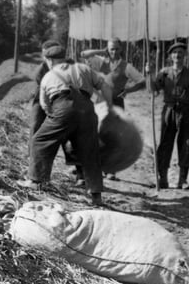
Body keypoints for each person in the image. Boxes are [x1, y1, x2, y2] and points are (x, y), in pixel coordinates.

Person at [20, 44, 113, 207]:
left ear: (49, 60)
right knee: (90, 151)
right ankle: (96, 194)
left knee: (40, 140)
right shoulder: (83, 68)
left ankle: (36, 181)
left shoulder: (48, 77)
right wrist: (109, 107)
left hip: (62, 108)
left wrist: (55, 119)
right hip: (87, 110)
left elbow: (44, 104)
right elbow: (104, 86)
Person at [80, 38, 146, 180]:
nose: (113, 51)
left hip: (116, 104)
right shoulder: (100, 62)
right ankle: (93, 166)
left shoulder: (126, 66)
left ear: (121, 49)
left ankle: (111, 170)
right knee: (95, 134)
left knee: (115, 136)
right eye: (111, 49)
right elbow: (83, 54)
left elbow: (142, 81)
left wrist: (128, 90)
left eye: (116, 48)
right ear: (107, 49)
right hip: (99, 103)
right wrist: (100, 51)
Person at [31, 40, 84, 186]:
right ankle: (37, 173)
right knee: (37, 133)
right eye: (45, 56)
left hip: (67, 102)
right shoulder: (41, 70)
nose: (47, 60)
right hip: (44, 102)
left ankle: (81, 174)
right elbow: (42, 98)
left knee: (73, 138)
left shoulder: (72, 66)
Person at [151, 41, 189, 189]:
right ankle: (163, 178)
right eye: (174, 53)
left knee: (186, 143)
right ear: (170, 56)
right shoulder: (164, 72)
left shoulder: (188, 73)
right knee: (166, 143)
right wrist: (149, 73)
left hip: (186, 111)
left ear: (184, 55)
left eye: (180, 52)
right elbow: (154, 89)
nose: (177, 55)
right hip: (168, 110)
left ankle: (183, 180)